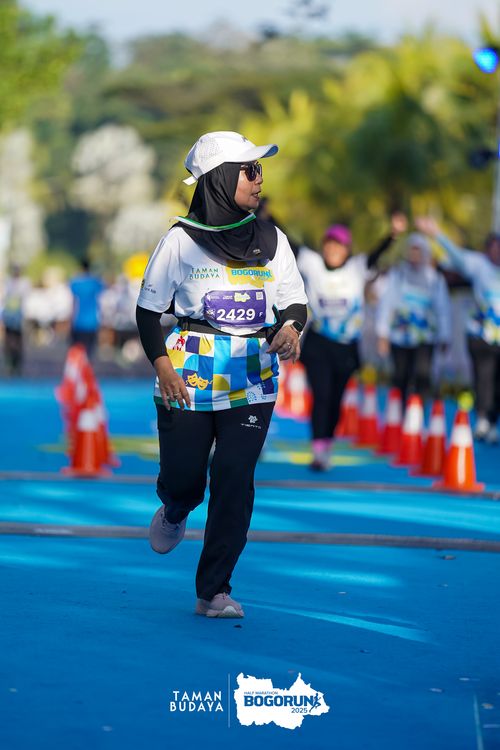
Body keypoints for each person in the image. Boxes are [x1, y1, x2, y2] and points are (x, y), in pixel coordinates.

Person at [136, 131, 307, 618]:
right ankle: (175, 507)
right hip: (188, 374)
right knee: (186, 479)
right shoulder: (179, 241)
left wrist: (291, 328)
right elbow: (148, 312)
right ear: (220, 179)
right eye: (249, 171)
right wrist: (163, 367)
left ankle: (214, 590)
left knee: (234, 478)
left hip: (252, 375)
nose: (258, 179)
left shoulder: (272, 239)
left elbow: (294, 301)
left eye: (259, 170)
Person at [297, 213, 408, 471]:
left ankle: (327, 442)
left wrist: (392, 234)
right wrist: (264, 214)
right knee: (321, 395)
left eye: (339, 246)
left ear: (347, 250)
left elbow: (376, 254)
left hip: (347, 346)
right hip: (319, 342)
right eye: (329, 245)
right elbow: (288, 242)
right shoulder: (312, 264)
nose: (333, 251)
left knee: (336, 399)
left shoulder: (357, 268)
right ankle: (318, 449)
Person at [416, 216, 500, 443]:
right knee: (483, 377)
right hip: (480, 336)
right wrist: (436, 234)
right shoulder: (479, 265)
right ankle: (482, 418)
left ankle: (493, 421)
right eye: (494, 247)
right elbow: (457, 256)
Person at [376, 232, 451, 406]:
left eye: (419, 252)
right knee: (400, 377)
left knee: (422, 377)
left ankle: (418, 413)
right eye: (412, 251)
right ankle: (398, 413)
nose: (415, 256)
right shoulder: (397, 276)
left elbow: (443, 310)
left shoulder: (435, 280)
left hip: (425, 339)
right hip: (399, 337)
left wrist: (445, 336)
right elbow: (386, 304)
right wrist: (382, 333)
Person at [69, 259, 105, 358]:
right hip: (92, 321)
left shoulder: (75, 283)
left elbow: (73, 303)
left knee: (78, 350)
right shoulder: (96, 282)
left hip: (78, 321)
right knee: (89, 351)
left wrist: (70, 320)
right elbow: (102, 300)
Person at [1, 264, 30, 376]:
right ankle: (10, 365)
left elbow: (25, 301)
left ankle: (17, 365)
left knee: (18, 343)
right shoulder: (8, 283)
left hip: (18, 319)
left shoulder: (23, 284)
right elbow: (4, 300)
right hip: (9, 318)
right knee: (9, 343)